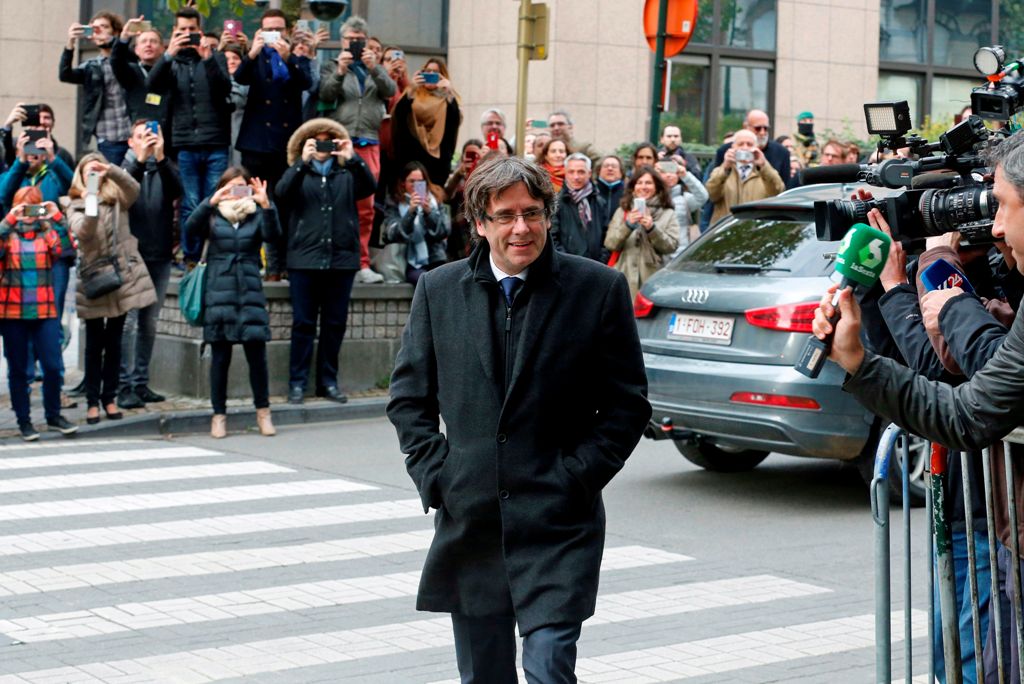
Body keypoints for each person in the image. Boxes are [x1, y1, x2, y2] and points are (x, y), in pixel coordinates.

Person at [386, 155, 650, 683]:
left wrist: (577, 474)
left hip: (558, 518)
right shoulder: (439, 290)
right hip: (472, 518)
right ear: (480, 224)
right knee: (484, 676)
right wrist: (439, 476)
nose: (521, 228)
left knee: (550, 667)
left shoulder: (596, 288)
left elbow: (627, 405)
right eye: (505, 216)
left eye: (532, 213)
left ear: (549, 216)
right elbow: (409, 399)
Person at [811, 131, 1024, 683]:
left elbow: (964, 403)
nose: (995, 225)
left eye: (1001, 205)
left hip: (981, 513)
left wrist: (939, 280)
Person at [276, 118, 375, 406]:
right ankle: (297, 384)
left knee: (334, 324)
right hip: (303, 261)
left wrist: (353, 158)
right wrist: (301, 162)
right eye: (316, 141)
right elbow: (281, 194)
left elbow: (369, 187)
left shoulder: (346, 174)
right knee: (303, 323)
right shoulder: (300, 173)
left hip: (341, 260)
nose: (322, 147)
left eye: (327, 141)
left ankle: (328, 382)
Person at [186, 167, 280, 438]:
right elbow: (190, 229)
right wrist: (212, 201)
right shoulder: (213, 214)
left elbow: (274, 237)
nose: (237, 192)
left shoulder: (254, 214)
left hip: (249, 291)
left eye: (242, 186)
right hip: (219, 292)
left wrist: (266, 205)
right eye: (231, 186)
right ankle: (219, 416)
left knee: (257, 358)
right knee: (220, 359)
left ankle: (263, 413)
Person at [65, 154, 156, 425]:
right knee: (94, 344)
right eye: (89, 170)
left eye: (98, 170)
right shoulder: (73, 204)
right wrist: (90, 196)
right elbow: (85, 232)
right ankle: (93, 402)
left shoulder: (119, 198)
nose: (95, 174)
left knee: (115, 342)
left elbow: (134, 188)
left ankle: (110, 398)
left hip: (121, 277)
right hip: (93, 279)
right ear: (80, 175)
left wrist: (112, 170)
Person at [146, 6, 232, 263]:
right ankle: (192, 257)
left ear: (200, 31)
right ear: (174, 32)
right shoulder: (171, 63)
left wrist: (207, 58)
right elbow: (151, 87)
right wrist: (169, 54)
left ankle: (214, 255)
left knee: (214, 200)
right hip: (184, 143)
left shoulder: (214, 57)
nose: (187, 34)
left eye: (191, 30)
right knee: (190, 202)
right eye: (181, 30)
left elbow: (224, 88)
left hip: (215, 141)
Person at [319, 15, 396, 285]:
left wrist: (375, 67)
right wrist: (341, 71)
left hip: (370, 142)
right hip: (341, 141)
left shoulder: (373, 65)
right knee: (336, 202)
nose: (354, 44)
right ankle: (335, 258)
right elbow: (325, 94)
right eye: (350, 40)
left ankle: (361, 263)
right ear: (342, 41)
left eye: (358, 40)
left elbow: (390, 89)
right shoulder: (331, 65)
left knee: (366, 208)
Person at [0, 187, 78, 441]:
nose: (29, 214)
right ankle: (24, 421)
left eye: (34, 207)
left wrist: (56, 218)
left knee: (53, 367)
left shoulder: (47, 233)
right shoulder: (7, 234)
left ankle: (53, 415)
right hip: (12, 313)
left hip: (45, 310)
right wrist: (9, 220)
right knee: (19, 370)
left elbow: (68, 251)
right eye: (24, 208)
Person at [117, 120, 180, 410]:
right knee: (129, 322)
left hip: (160, 254)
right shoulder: (123, 169)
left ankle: (141, 383)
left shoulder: (164, 167)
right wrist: (141, 160)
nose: (148, 141)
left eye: (152, 136)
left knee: (149, 323)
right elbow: (123, 195)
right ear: (131, 142)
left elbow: (179, 189)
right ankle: (123, 385)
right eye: (142, 137)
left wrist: (161, 156)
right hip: (131, 255)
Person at [59, 11, 133, 165]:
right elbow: (65, 75)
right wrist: (71, 42)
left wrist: (113, 41)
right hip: (107, 137)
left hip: (133, 134)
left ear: (116, 31)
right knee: (113, 185)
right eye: (95, 29)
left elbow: (131, 57)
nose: (99, 32)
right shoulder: (91, 66)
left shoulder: (129, 58)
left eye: (104, 27)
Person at [604, 166, 680, 299]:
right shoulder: (623, 211)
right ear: (633, 187)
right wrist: (628, 225)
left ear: (657, 187)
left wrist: (652, 228)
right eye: (639, 183)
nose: (643, 187)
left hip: (652, 280)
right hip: (623, 277)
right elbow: (610, 243)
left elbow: (671, 246)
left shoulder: (668, 213)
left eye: (648, 183)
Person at [391, 57, 462, 187]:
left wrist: (449, 92)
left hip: (437, 163)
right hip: (411, 158)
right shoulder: (413, 93)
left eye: (434, 72)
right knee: (414, 201)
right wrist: (411, 88)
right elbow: (398, 118)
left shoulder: (448, 99)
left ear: (442, 76)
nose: (430, 75)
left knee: (431, 203)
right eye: (427, 71)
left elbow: (453, 125)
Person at [381, 161, 450, 284]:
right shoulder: (394, 201)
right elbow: (392, 234)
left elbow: (445, 230)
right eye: (412, 181)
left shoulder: (435, 198)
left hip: (435, 259)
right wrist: (411, 212)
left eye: (420, 182)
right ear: (403, 183)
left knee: (443, 280)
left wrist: (428, 212)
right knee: (426, 280)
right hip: (408, 261)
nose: (416, 185)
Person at [705, 129, 785, 226]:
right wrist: (725, 167)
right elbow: (711, 194)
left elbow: (777, 191)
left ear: (757, 148)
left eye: (749, 144)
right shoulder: (723, 171)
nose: (745, 148)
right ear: (733, 147)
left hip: (754, 230)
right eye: (740, 144)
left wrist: (764, 166)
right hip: (725, 230)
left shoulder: (764, 171)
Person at [111, 19, 169, 134]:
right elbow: (116, 61)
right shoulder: (131, 71)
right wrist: (123, 38)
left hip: (167, 133)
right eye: (144, 42)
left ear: (163, 49)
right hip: (140, 133)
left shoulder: (171, 70)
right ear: (136, 50)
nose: (148, 45)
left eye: (153, 41)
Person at [550, 153, 607, 262]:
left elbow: (607, 236)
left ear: (589, 173)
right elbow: (552, 239)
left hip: (597, 267)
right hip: (568, 267)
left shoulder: (599, 201)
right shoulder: (556, 203)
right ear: (565, 173)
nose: (576, 177)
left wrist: (601, 262)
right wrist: (569, 264)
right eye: (571, 172)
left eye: (581, 172)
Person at [0, 104, 75, 172]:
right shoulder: (14, 146)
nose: (42, 122)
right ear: (28, 122)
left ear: (53, 123)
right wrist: (7, 126)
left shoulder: (63, 154)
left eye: (46, 118)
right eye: (37, 117)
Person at [442, 139, 482, 261]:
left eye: (475, 155)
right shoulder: (457, 176)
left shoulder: (484, 176)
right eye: (468, 154)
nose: (471, 158)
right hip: (458, 229)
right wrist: (459, 173)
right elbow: (445, 195)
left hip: (478, 228)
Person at [656, 158, 708, 251]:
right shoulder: (651, 198)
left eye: (672, 171)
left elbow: (703, 197)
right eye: (663, 172)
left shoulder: (685, 199)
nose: (668, 175)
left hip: (680, 252)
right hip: (657, 254)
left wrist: (685, 175)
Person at [594, 155, 625, 230]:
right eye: (606, 166)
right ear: (599, 171)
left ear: (621, 173)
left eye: (614, 166)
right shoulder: (591, 192)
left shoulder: (627, 194)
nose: (610, 168)